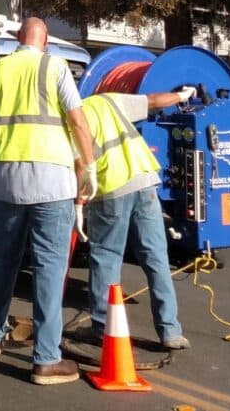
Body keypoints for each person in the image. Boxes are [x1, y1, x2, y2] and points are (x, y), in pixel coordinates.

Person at [0, 17, 96, 386]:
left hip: (6, 181)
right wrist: (89, 166)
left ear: (18, 39)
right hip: (52, 183)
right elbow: (77, 121)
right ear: (45, 42)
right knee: (49, 269)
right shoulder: (54, 67)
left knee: (1, 261)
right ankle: (46, 359)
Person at [73, 87, 197, 351]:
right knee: (156, 258)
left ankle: (101, 328)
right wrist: (181, 96)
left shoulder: (73, 115)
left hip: (111, 190)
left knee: (106, 258)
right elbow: (153, 101)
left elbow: (79, 164)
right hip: (144, 184)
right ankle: (170, 331)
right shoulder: (109, 101)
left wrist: (78, 202)